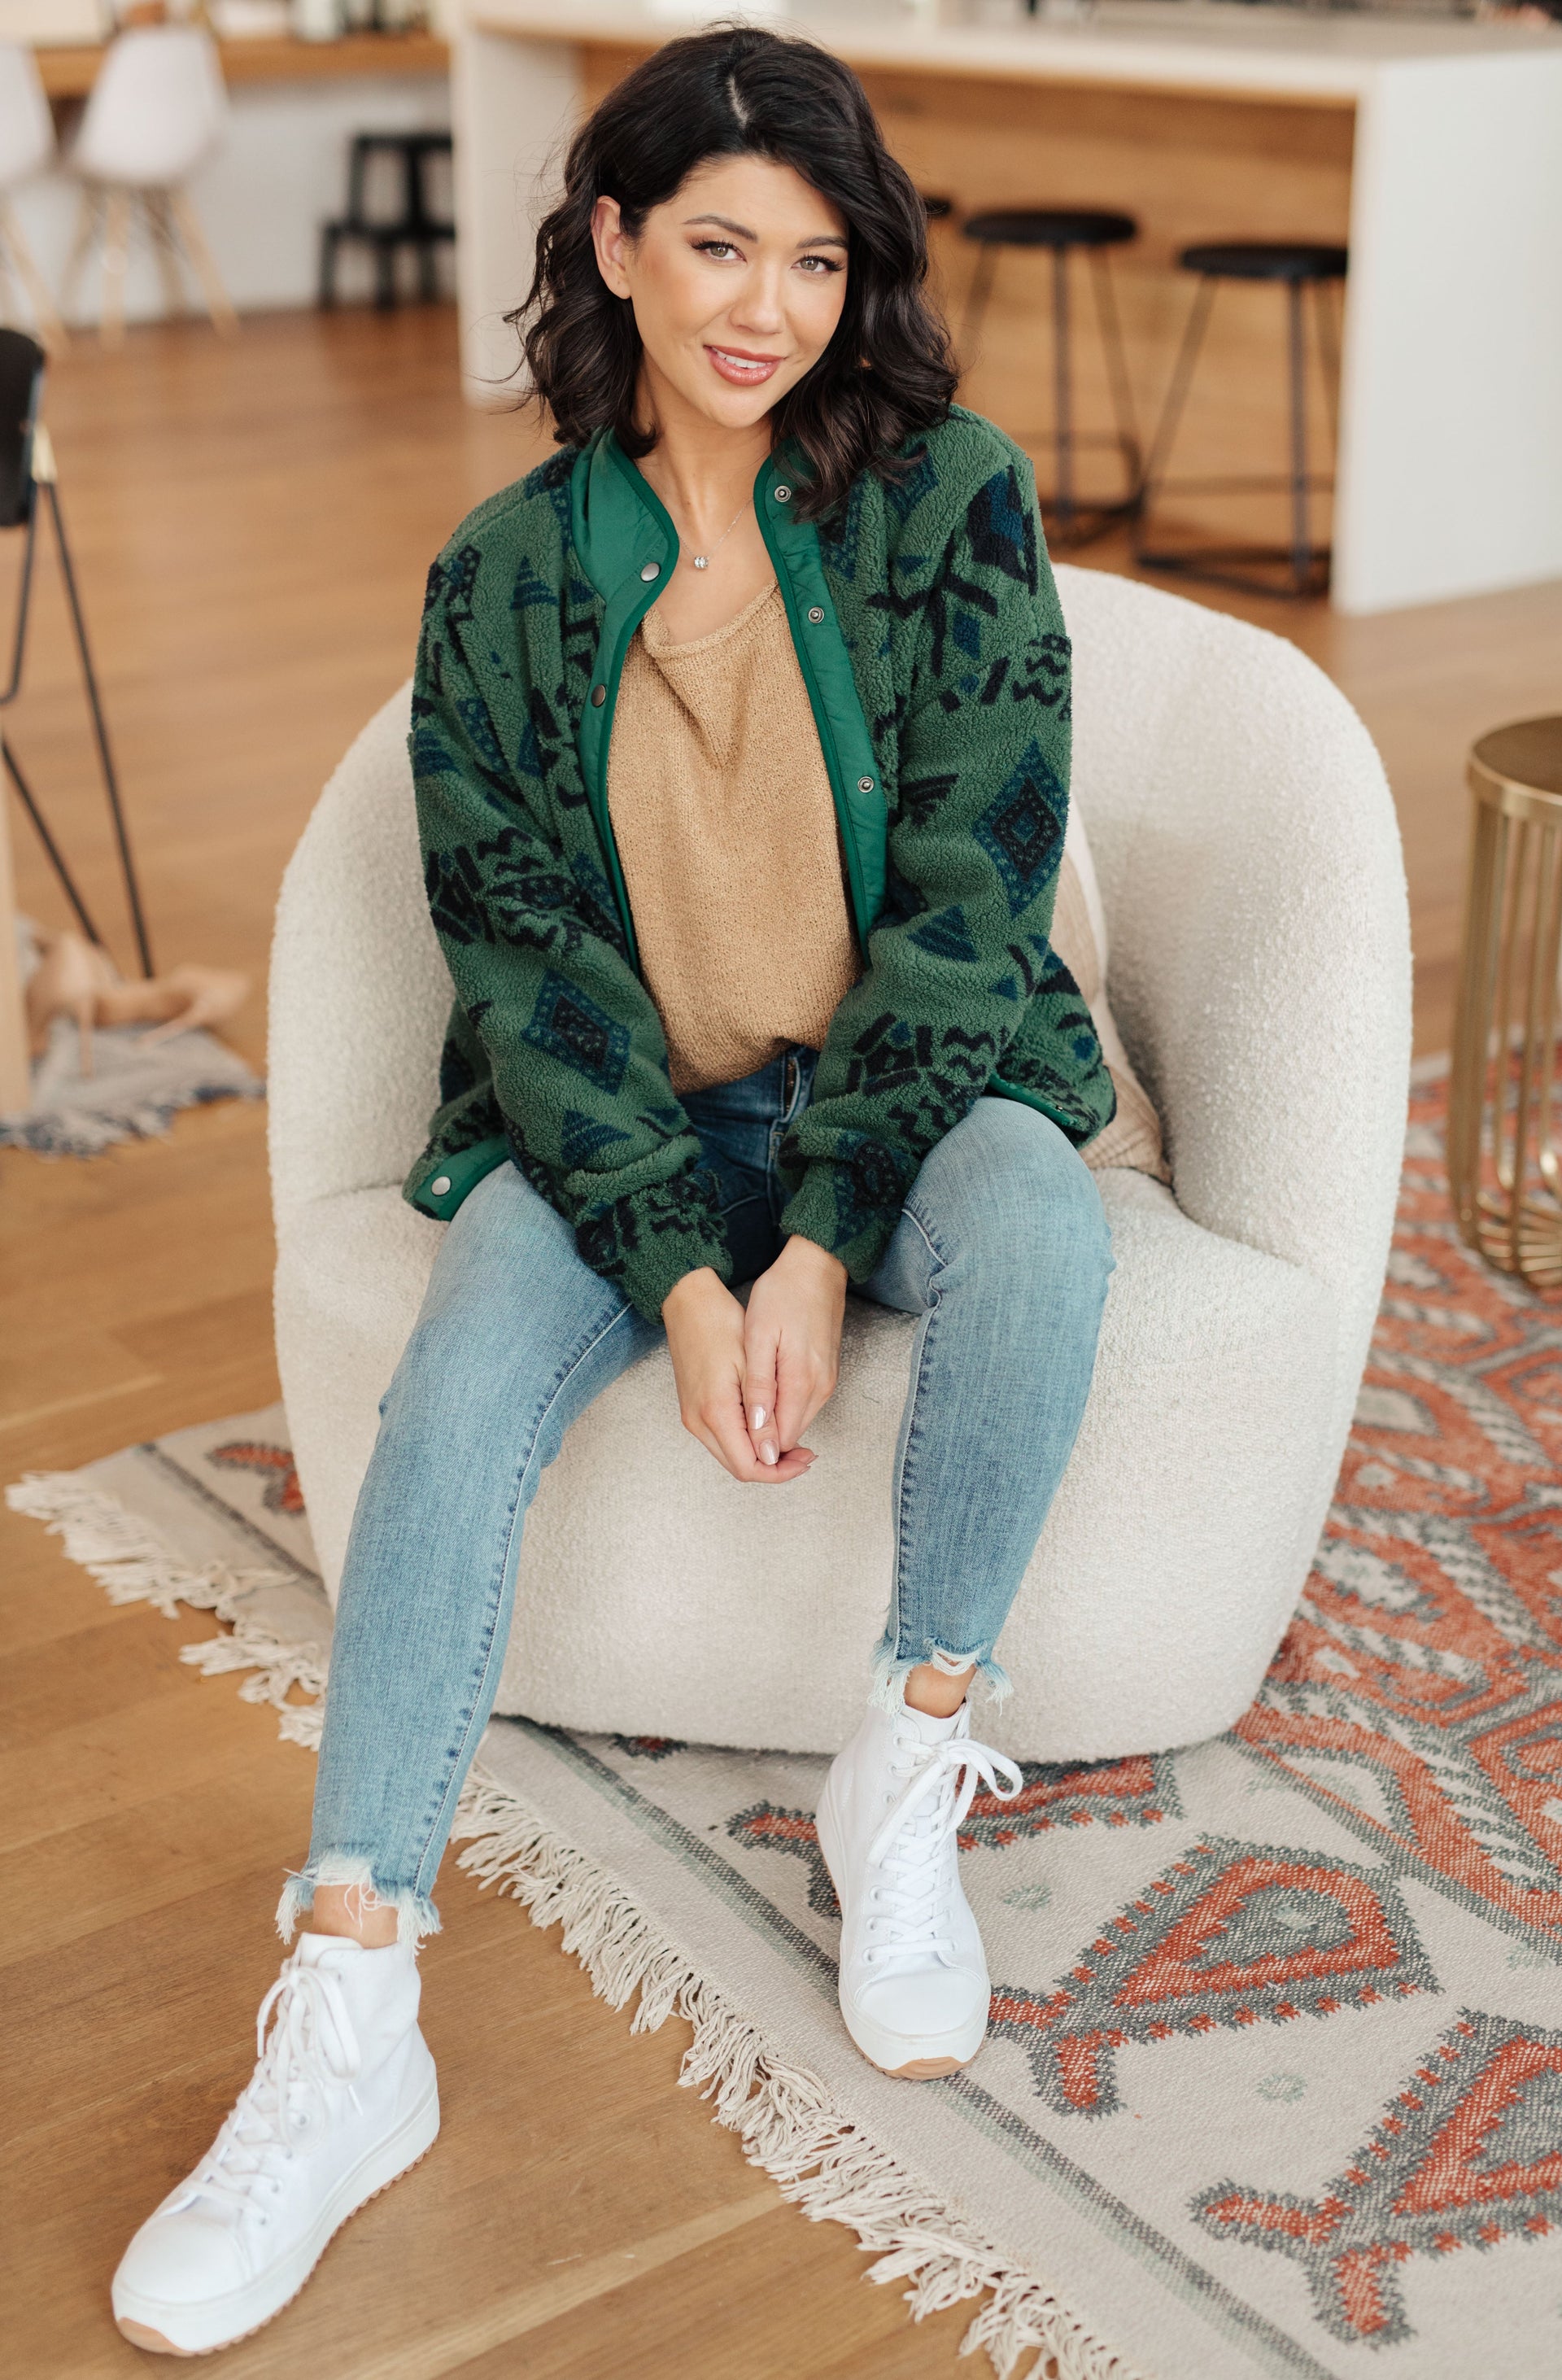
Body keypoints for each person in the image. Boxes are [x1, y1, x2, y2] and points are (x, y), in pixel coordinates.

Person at [111, 25, 1115, 2356]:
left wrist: (827, 1234)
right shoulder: (500, 580)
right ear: (614, 247)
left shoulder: (946, 493)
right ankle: (352, 2007)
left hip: (907, 1081)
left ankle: (901, 1761)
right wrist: (682, 1269)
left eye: (813, 257)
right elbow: (527, 959)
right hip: (620, 1123)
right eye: (717, 248)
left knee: (1044, 1238)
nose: (765, 304)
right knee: (459, 1394)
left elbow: (977, 885)